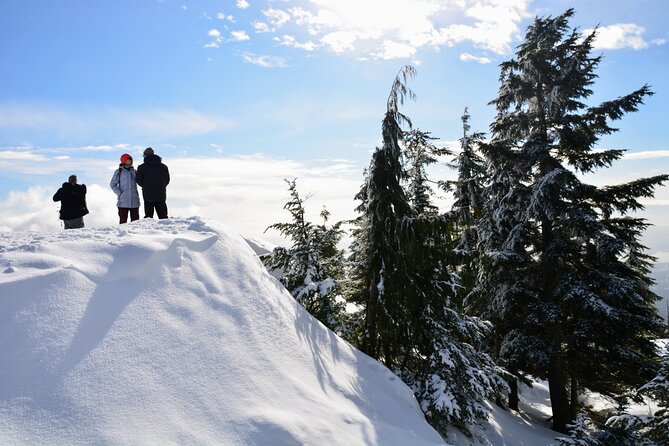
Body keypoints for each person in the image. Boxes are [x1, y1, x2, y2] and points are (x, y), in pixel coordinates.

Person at [136, 147, 170, 219]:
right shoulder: (163, 167)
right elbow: (167, 180)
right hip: (161, 195)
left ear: (145, 156)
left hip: (148, 195)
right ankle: (166, 230)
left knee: (148, 218)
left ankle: (148, 230)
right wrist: (161, 186)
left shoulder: (142, 167)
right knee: (163, 217)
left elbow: (139, 181)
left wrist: (146, 186)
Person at [109, 153, 140, 224]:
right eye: (129, 159)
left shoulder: (134, 171)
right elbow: (112, 184)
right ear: (124, 160)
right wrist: (120, 193)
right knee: (123, 223)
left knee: (135, 223)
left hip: (134, 202)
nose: (131, 161)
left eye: (131, 159)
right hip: (123, 202)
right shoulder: (118, 172)